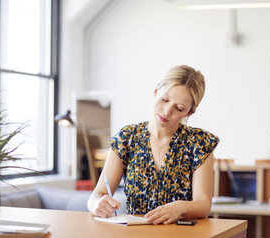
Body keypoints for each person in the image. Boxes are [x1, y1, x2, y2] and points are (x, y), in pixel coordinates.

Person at [87, 65, 219, 225]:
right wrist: (96, 205)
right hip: (136, 236)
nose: (166, 111)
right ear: (156, 92)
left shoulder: (199, 143)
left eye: (179, 108)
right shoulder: (127, 138)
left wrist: (181, 207)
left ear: (189, 112)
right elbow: (97, 194)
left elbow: (204, 205)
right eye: (164, 99)